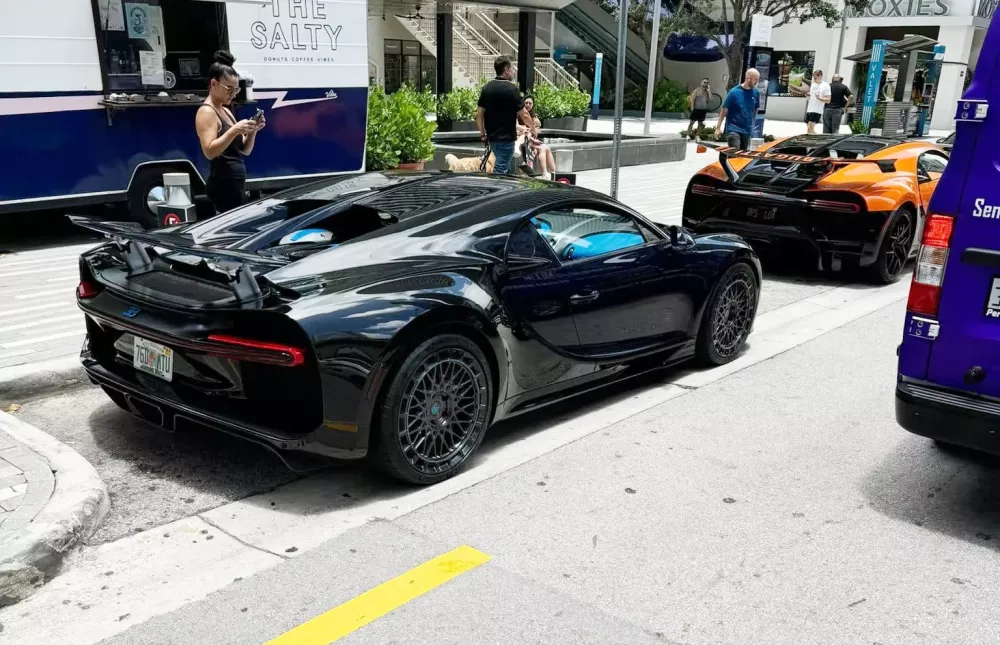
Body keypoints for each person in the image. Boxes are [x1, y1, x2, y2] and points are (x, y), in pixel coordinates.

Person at [194, 50, 264, 215]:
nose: (232, 94)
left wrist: (252, 131)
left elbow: (244, 150)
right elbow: (209, 151)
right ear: (213, 84)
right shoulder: (207, 112)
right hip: (223, 184)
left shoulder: (226, 110)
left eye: (236, 90)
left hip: (235, 183)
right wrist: (234, 130)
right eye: (229, 89)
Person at [476, 56, 534, 175]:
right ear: (506, 69)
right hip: (506, 138)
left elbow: (479, 114)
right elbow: (524, 114)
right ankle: (495, 192)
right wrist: (533, 128)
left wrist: (482, 133)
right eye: (512, 69)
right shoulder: (512, 89)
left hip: (492, 137)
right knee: (500, 171)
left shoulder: (486, 88)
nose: (514, 71)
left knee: (504, 167)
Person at [715, 69, 761, 151]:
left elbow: (755, 109)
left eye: (758, 79)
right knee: (735, 154)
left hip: (747, 130)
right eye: (756, 79)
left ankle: (725, 161)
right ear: (748, 78)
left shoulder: (756, 93)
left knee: (743, 158)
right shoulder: (734, 92)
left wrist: (752, 122)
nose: (757, 81)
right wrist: (718, 128)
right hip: (733, 129)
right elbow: (724, 110)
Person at [522, 96, 555, 178]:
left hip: (532, 140)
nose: (528, 105)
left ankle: (554, 172)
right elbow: (525, 131)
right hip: (524, 140)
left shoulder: (533, 116)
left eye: (530, 103)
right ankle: (544, 172)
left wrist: (535, 128)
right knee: (542, 149)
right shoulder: (521, 115)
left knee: (547, 148)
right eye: (526, 103)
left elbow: (537, 127)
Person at [805, 69, 830, 134]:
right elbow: (812, 96)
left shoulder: (825, 85)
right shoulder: (813, 84)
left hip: (817, 110)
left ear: (820, 76)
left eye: (815, 77)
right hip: (810, 109)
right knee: (809, 128)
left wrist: (819, 98)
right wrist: (808, 96)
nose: (814, 79)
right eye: (813, 77)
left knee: (810, 127)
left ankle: (811, 141)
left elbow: (828, 100)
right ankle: (815, 139)